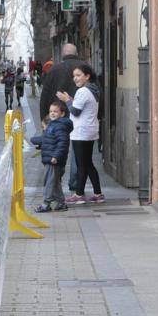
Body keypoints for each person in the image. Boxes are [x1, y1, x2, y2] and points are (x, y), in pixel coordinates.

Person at [40, 44, 87, 192]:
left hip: (58, 116)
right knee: (76, 151)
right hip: (79, 116)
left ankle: (56, 179)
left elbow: (45, 95)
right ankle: (74, 183)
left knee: (57, 148)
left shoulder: (54, 69)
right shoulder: (84, 69)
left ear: (62, 54)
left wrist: (44, 118)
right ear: (77, 53)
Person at [57, 63, 104, 205]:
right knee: (88, 163)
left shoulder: (83, 91)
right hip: (90, 130)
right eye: (74, 76)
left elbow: (75, 111)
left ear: (87, 76)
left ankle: (79, 194)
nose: (75, 78)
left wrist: (67, 101)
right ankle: (98, 193)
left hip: (81, 132)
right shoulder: (93, 89)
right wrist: (71, 100)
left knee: (81, 164)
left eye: (78, 75)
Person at [30, 100, 72, 213]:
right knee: (55, 182)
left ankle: (46, 203)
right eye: (50, 111)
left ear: (62, 113)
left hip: (54, 160)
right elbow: (48, 140)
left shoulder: (60, 126)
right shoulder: (53, 125)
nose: (52, 113)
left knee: (49, 181)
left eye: (55, 111)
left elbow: (62, 143)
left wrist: (55, 156)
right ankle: (60, 203)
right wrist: (38, 144)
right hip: (51, 159)